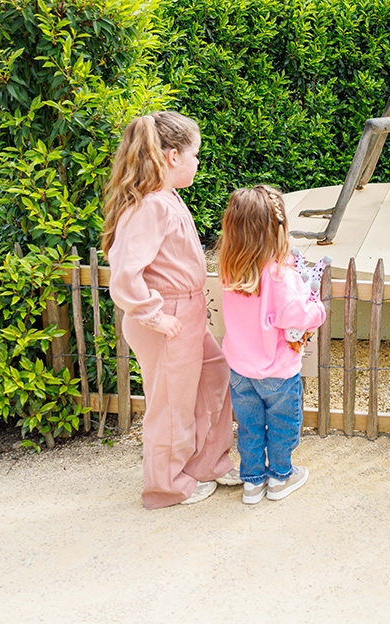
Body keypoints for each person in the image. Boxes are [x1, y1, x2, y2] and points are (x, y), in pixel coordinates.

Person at [103, 111, 238, 509]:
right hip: (167, 318)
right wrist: (154, 315)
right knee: (170, 403)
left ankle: (206, 463)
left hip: (186, 312)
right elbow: (124, 273)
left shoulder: (167, 198)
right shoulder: (150, 206)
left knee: (214, 375)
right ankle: (166, 485)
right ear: (173, 156)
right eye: (195, 155)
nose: (198, 162)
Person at [219, 186, 326, 505]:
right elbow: (299, 315)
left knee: (249, 427)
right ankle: (280, 476)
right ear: (277, 231)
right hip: (278, 372)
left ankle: (252, 482)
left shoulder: (230, 269)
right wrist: (317, 308)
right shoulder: (280, 275)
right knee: (283, 425)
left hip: (240, 370)